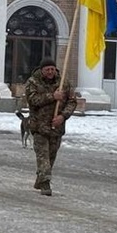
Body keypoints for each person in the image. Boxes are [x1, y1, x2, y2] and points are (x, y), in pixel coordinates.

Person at [22, 58, 79, 196]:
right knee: (43, 156)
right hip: (39, 127)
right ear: (42, 70)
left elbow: (72, 102)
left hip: (56, 127)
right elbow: (33, 100)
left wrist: (63, 116)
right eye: (47, 69)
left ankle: (41, 178)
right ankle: (45, 183)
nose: (50, 72)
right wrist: (52, 96)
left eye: (52, 69)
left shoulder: (63, 82)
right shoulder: (33, 82)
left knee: (51, 156)